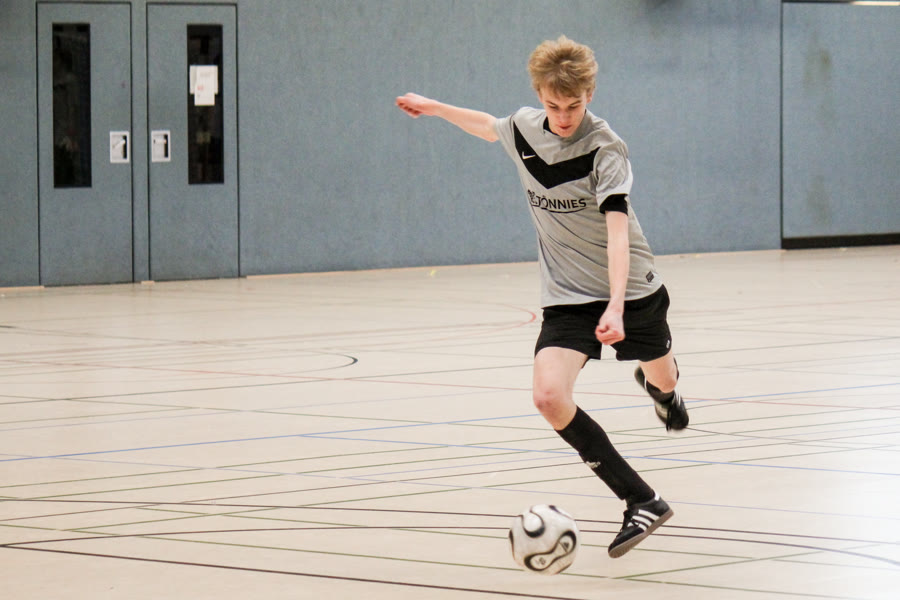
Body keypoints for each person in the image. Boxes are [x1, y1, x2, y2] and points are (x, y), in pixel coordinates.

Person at [396, 35, 689, 558]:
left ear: (590, 95)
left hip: (631, 291)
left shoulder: (606, 148)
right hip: (567, 295)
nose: (564, 116)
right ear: (539, 95)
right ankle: (642, 499)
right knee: (549, 397)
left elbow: (618, 233)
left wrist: (616, 305)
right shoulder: (525, 128)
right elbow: (489, 126)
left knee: (663, 379)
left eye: (574, 105)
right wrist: (436, 108)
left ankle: (662, 391)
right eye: (554, 105)